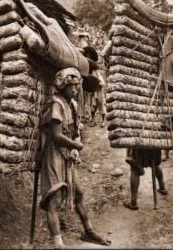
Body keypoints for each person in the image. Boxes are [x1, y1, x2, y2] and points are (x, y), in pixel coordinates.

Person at [39, 67, 111, 249]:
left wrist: (76, 144)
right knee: (55, 200)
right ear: (62, 86)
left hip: (67, 154)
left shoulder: (72, 105)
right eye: (70, 85)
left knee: (78, 193)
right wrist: (75, 145)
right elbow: (56, 135)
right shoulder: (56, 104)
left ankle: (89, 230)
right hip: (54, 154)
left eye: (77, 86)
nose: (74, 89)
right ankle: (58, 244)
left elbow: (75, 131)